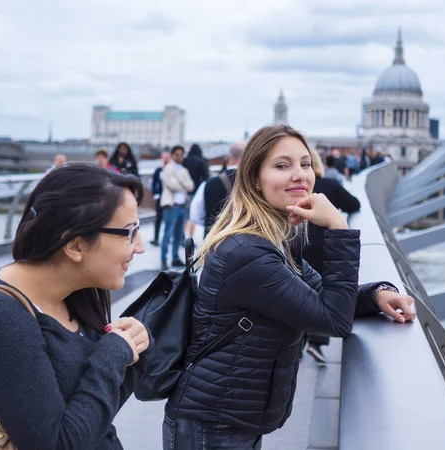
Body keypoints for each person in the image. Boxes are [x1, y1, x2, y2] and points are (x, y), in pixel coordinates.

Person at [163, 124, 416, 449]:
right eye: (282, 166)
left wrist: (376, 294)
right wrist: (338, 226)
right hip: (212, 424)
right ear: (254, 178)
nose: (300, 175)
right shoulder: (247, 253)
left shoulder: (276, 240)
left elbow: (320, 297)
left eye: (305, 163)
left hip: (230, 417)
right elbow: (333, 320)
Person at [0, 164, 152, 449]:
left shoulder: (74, 294)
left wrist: (135, 351)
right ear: (75, 246)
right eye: (130, 232)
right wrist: (113, 354)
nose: (140, 246)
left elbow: (94, 418)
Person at [303, 150, 361, 363]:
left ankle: (298, 340)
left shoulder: (296, 191)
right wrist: (337, 220)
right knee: (322, 292)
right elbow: (354, 204)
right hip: (325, 246)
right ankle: (316, 342)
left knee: (300, 289)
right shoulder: (330, 186)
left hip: (300, 245)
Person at [160, 145, 193, 270]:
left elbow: (191, 186)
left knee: (179, 234)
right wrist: (183, 184)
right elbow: (172, 185)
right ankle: (164, 259)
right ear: (172, 155)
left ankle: (175, 258)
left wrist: (180, 183)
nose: (180, 157)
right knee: (168, 233)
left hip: (182, 206)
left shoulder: (183, 170)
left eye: (181, 154)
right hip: (171, 205)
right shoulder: (168, 169)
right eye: (177, 154)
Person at [202, 142, 245, 236]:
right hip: (244, 241)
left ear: (228, 158)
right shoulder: (255, 182)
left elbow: (196, 215)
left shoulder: (209, 183)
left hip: (213, 241)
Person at [182, 144, 210, 239]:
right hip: (196, 191)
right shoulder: (201, 161)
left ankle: (182, 237)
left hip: (184, 192)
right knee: (192, 216)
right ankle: (190, 237)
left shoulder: (184, 160)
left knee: (184, 216)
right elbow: (207, 177)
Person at [150, 151, 171, 247]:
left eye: (167, 157)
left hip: (169, 198)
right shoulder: (158, 170)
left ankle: (168, 238)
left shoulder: (171, 170)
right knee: (158, 218)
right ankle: (156, 238)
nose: (165, 159)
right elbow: (154, 183)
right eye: (164, 157)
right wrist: (155, 194)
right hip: (160, 197)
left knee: (169, 219)